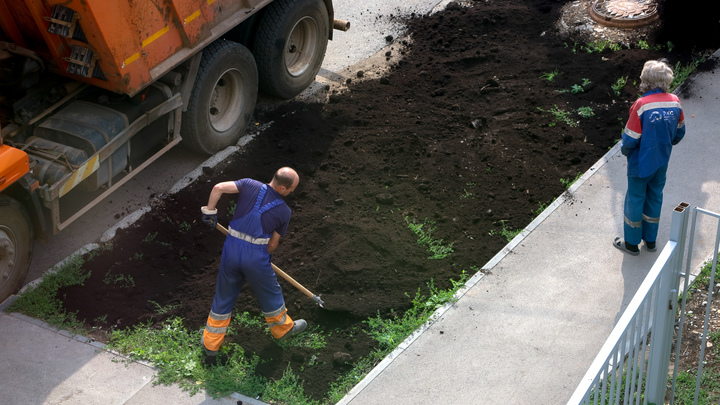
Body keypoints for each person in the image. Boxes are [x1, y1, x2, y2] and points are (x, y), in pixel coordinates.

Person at [199, 167, 307, 364]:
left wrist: (210, 212)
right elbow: (272, 245)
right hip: (256, 256)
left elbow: (218, 188)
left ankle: (211, 344)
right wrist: (259, 255)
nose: (292, 192)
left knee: (224, 295)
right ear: (283, 188)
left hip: (231, 248)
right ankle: (283, 330)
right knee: (270, 292)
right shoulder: (284, 211)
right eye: (292, 189)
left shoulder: (248, 184)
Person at [613, 60, 686, 256]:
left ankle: (631, 244)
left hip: (640, 162)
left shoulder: (641, 105)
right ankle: (651, 241)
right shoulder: (675, 101)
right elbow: (680, 133)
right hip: (662, 160)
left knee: (635, 199)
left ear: (645, 80)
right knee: (655, 196)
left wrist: (625, 151)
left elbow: (630, 140)